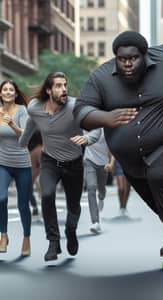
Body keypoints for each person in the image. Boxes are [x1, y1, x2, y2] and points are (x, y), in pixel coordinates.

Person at [73, 31, 163, 256]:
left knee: (160, 176)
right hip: (131, 158)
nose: (127, 64)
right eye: (122, 59)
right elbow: (81, 111)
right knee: (157, 201)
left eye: (133, 58)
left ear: (145, 55)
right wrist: (107, 117)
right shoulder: (101, 77)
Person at [19, 72, 104, 261]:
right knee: (46, 194)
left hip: (73, 163)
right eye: (58, 86)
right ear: (49, 90)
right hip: (49, 160)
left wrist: (87, 138)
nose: (64, 89)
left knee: (73, 206)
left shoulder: (75, 107)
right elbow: (33, 120)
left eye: (65, 85)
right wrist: (23, 140)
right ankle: (53, 241)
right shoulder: (35, 107)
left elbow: (97, 127)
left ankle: (71, 230)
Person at [0, 80, 32, 256]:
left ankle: (26, 238)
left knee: (23, 205)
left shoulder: (22, 110)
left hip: (22, 164)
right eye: (4, 89)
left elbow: (25, 136)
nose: (7, 92)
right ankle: (3, 236)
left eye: (11, 90)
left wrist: (11, 123)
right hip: (2, 163)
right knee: (1, 198)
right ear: (0, 93)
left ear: (15, 93)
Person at [83, 128, 109, 233]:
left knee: (101, 189)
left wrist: (111, 162)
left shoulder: (106, 127)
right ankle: (95, 222)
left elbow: (112, 146)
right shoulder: (85, 123)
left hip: (103, 163)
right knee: (91, 187)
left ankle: (101, 197)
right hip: (89, 161)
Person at [28, 130, 43, 216]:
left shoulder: (35, 150)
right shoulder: (39, 149)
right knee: (29, 193)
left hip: (32, 176)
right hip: (32, 176)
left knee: (29, 193)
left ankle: (35, 207)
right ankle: (35, 207)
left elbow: (41, 165)